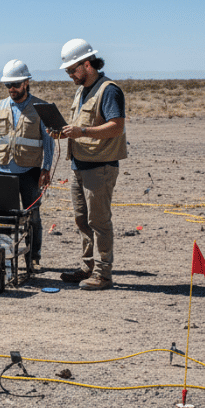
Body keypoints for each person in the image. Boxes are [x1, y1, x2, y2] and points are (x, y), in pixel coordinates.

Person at [56, 39, 127, 291]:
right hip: (79, 166)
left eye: (72, 70)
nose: (70, 75)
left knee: (99, 222)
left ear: (87, 64)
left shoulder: (109, 90)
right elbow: (80, 126)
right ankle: (88, 267)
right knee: (82, 220)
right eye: (67, 71)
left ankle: (103, 274)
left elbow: (116, 126)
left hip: (100, 167)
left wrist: (82, 131)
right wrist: (65, 132)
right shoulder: (81, 91)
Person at [0, 60, 54, 269]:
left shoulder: (40, 108)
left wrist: (46, 168)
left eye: (15, 84)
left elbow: (48, 141)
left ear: (26, 83)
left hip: (30, 171)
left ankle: (33, 258)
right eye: (8, 85)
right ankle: (3, 257)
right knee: (2, 218)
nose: (11, 89)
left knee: (33, 217)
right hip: (1, 170)